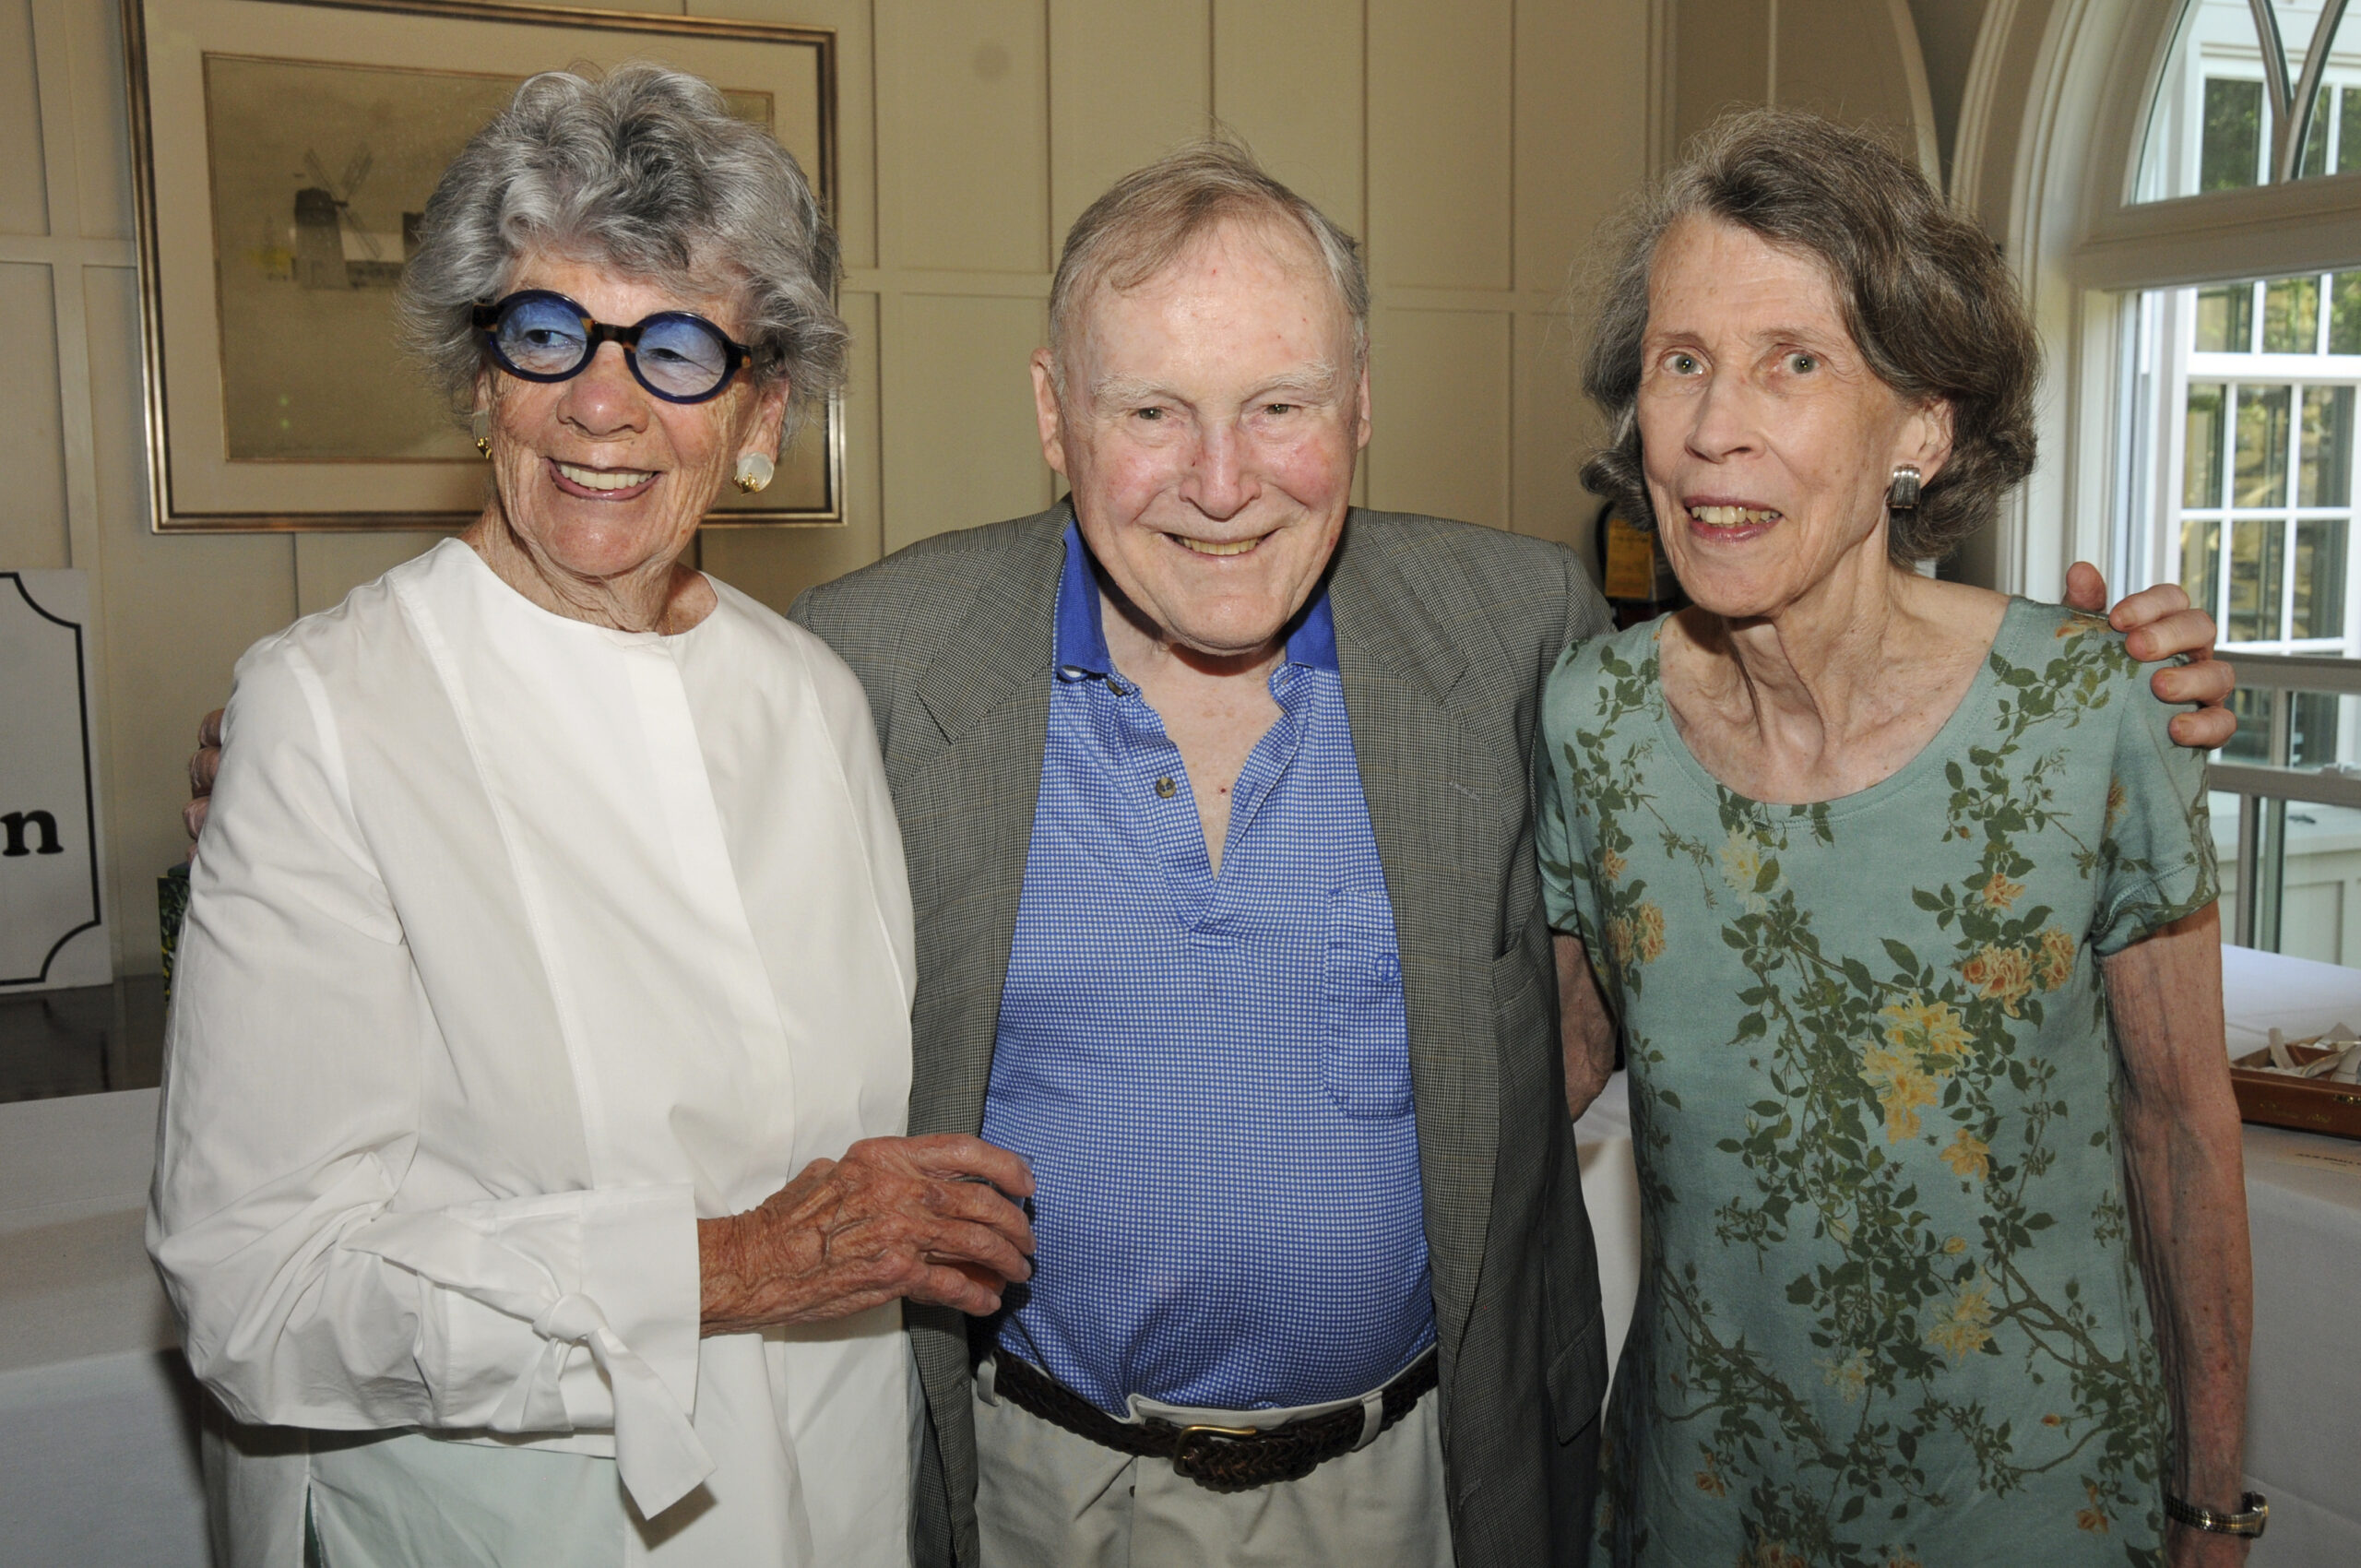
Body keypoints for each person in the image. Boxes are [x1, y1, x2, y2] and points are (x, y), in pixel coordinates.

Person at [185, 141, 2233, 1568]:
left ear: (1362, 405)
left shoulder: (1525, 639)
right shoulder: (869, 669)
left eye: (1278, 404)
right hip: (1028, 1488)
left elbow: (1765, 724)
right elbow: (633, 746)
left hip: (1415, 1485)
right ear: (1054, 421)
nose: (1222, 482)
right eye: (1151, 410)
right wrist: (329, 739)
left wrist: (2101, 670)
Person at [149, 65, 1034, 1568]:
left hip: (829, 1508)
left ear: (761, 408)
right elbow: (258, 1295)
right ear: (480, 371)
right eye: (549, 331)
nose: (601, 403)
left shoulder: (813, 698)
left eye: (677, 345)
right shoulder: (331, 712)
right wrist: (730, 1267)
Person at [1537, 111, 2254, 1567]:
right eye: (1684, 361)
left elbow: (2182, 1132)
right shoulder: (1593, 724)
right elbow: (1539, 1072)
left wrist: (2215, 1504)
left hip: (2036, 1509)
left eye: (1791, 362)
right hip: (1704, 1504)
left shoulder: (2088, 708)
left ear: (1921, 427)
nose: (1712, 424)